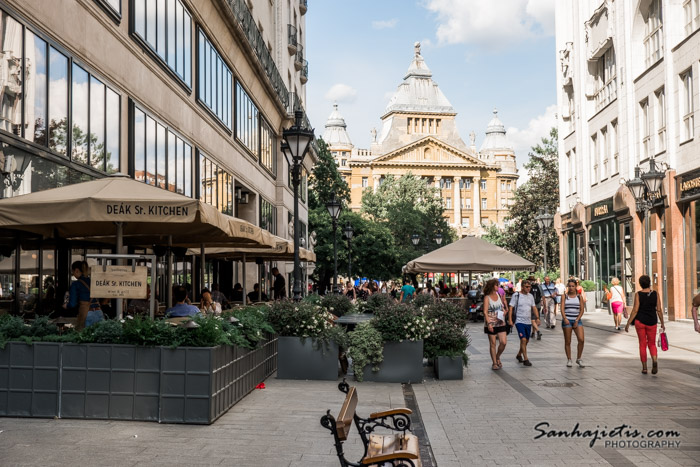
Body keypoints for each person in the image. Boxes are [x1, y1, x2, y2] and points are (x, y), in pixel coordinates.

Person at [625, 275, 665, 375]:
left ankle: (644, 368)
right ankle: (654, 360)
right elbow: (659, 309)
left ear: (640, 284)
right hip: (652, 321)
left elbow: (635, 310)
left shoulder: (638, 294)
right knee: (652, 344)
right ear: (649, 282)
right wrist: (662, 323)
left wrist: (628, 322)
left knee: (642, 344)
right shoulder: (656, 294)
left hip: (640, 321)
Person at [509, 280, 539, 366]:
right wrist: (510, 320)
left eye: (529, 287)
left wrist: (537, 318)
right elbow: (511, 308)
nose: (528, 288)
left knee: (526, 341)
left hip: (528, 321)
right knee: (523, 339)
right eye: (526, 287)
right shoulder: (516, 295)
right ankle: (526, 359)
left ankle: (519, 354)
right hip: (519, 321)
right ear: (522, 287)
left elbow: (534, 307)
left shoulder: (530, 296)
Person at [63, 261, 97, 331]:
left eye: (72, 272)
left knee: (84, 336)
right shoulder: (93, 282)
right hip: (98, 312)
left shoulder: (76, 284)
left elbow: (72, 304)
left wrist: (66, 305)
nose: (73, 274)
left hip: (87, 314)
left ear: (76, 270)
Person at [561, 279, 586, 367]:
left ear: (576, 287)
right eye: (570, 286)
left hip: (577, 320)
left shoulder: (579, 297)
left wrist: (577, 320)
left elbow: (582, 310)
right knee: (568, 341)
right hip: (567, 320)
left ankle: (579, 358)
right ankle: (569, 359)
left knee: (581, 339)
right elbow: (562, 309)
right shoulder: (564, 296)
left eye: (573, 286)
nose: (571, 288)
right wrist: (565, 318)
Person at [483, 278, 507, 370]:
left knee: (503, 342)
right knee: (493, 343)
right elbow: (485, 312)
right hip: (491, 322)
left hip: (500, 321)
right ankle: (494, 363)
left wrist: (504, 311)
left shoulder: (498, 295)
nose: (498, 286)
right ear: (492, 286)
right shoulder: (487, 297)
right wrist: (489, 324)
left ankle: (497, 356)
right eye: (496, 285)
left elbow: (501, 306)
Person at [528, 276, 543, 340]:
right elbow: (542, 295)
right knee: (535, 319)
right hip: (538, 305)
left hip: (531, 306)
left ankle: (537, 331)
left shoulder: (528, 286)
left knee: (532, 320)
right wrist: (544, 304)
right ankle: (533, 333)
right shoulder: (539, 286)